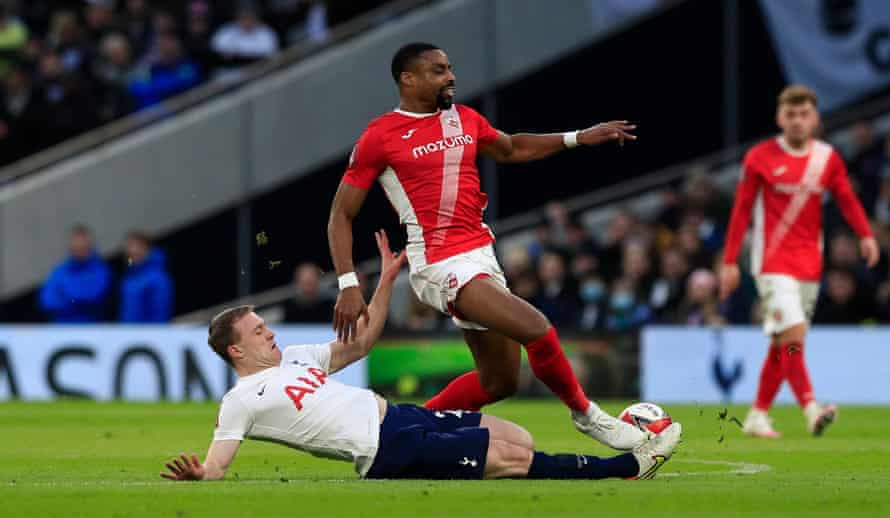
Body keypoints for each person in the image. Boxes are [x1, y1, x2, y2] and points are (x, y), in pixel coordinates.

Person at [160, 231, 681, 482]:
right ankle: (626, 469)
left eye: (265, 325)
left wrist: (386, 281)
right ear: (236, 349)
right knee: (516, 461)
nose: (268, 333)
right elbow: (218, 465)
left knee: (515, 436)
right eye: (258, 331)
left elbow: (361, 342)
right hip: (383, 452)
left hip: (400, 417)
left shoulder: (296, 357)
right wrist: (200, 473)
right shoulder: (239, 400)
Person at [328, 42, 644, 451]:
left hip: (481, 254)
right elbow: (340, 214)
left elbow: (512, 148)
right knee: (537, 329)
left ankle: (403, 434)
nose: (451, 77)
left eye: (450, 68)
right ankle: (587, 415)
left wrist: (578, 137)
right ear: (408, 79)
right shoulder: (380, 136)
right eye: (438, 70)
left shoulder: (465, 119)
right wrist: (348, 284)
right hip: (438, 262)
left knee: (500, 380)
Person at [719, 85, 880, 439]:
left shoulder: (827, 158)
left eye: (804, 114)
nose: (797, 121)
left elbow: (847, 199)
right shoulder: (759, 157)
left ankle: (758, 415)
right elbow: (742, 210)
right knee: (793, 334)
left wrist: (866, 235)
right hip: (772, 263)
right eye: (790, 114)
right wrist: (730, 261)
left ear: (815, 119)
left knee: (785, 343)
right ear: (780, 118)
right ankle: (811, 408)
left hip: (809, 264)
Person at [39, 225, 112, 323]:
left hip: (90, 331)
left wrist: (65, 293)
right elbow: (47, 301)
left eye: (82, 245)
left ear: (89, 245)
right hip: (61, 331)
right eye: (75, 245)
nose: (78, 248)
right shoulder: (60, 271)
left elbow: (93, 297)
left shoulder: (100, 271)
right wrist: (73, 301)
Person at [119, 231, 174, 323]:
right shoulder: (128, 277)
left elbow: (160, 312)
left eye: (136, 246)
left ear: (147, 249)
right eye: (129, 247)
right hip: (129, 334)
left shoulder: (158, 278)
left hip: (148, 334)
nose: (131, 251)